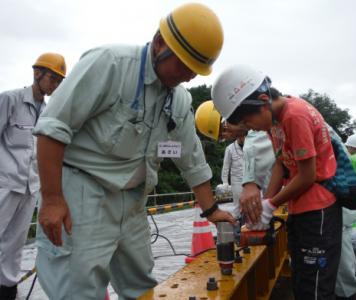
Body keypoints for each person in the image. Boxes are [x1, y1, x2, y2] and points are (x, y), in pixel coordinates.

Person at [33, 4, 234, 299]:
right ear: (160, 44)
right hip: (84, 193)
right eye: (184, 65)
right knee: (78, 289)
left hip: (133, 201)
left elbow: (191, 159)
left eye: (196, 70)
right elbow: (53, 128)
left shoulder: (177, 99)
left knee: (141, 286)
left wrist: (212, 210)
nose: (190, 76)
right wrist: (52, 199)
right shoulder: (110, 65)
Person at [212, 65, 342, 299]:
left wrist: (270, 206)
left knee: (315, 288)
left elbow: (306, 175)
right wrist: (267, 203)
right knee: (302, 280)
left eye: (248, 122)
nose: (250, 128)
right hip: (301, 210)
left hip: (319, 211)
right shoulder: (275, 121)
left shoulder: (295, 115)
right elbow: (280, 165)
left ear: (263, 100)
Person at [0, 53, 66, 300]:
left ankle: (7, 290)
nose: (55, 84)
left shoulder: (48, 113)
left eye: (60, 80)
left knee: (14, 244)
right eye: (53, 78)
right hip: (5, 184)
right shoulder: (10, 100)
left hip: (30, 188)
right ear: (37, 74)